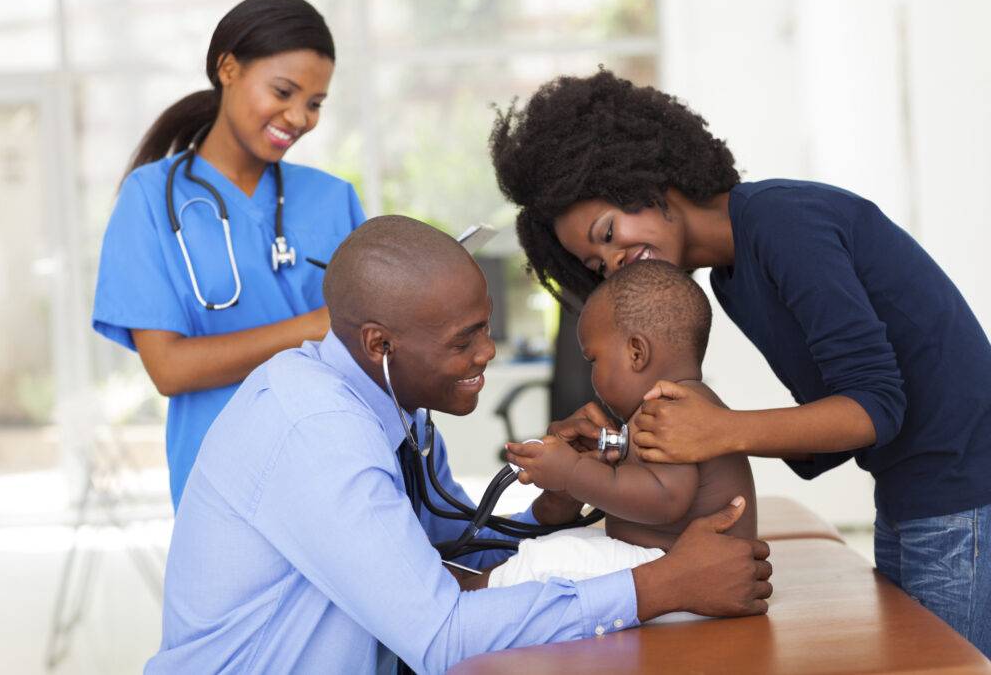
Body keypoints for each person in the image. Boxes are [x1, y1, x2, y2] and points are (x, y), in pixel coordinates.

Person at [489, 68, 991, 656]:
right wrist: (630, 445)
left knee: (947, 664)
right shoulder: (731, 276)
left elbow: (875, 408)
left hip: (962, 487)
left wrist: (718, 431)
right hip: (916, 486)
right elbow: (834, 434)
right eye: (596, 264)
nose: (614, 259)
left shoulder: (783, 222)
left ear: (642, 181)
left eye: (607, 231)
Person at [147, 215, 772, 674]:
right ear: (379, 345)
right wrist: (664, 586)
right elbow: (440, 631)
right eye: (463, 340)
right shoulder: (317, 434)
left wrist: (547, 516)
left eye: (487, 327)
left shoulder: (395, 411)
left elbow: (445, 547)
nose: (487, 354)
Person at [92, 0, 365, 509]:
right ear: (228, 68)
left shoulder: (333, 198)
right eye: (284, 91)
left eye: (315, 103)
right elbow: (169, 369)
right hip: (221, 478)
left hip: (338, 461)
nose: (299, 116)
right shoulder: (150, 199)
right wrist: (315, 327)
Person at [494, 260, 756, 599]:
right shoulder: (679, 403)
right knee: (556, 544)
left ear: (636, 353)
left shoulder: (670, 410)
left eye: (594, 360)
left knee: (542, 561)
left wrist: (572, 473)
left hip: (687, 569)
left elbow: (665, 499)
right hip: (666, 559)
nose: (592, 376)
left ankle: (456, 602)